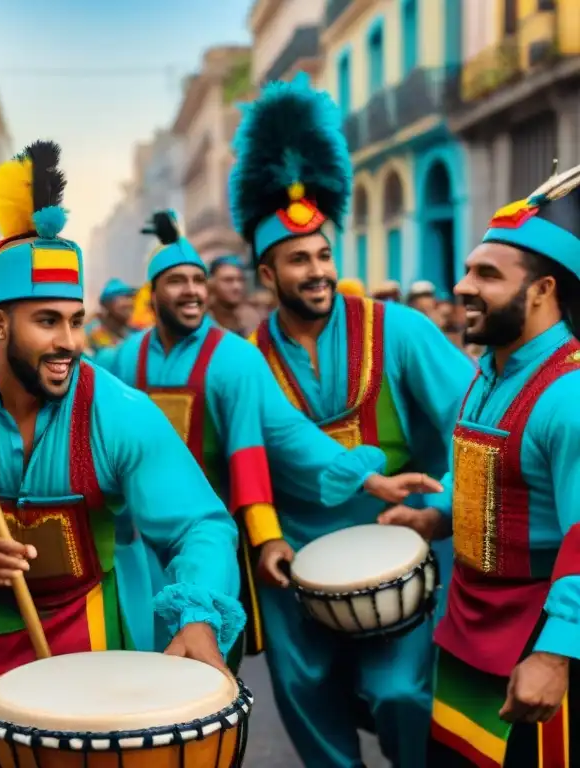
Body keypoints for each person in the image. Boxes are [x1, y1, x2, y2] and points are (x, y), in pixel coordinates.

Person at [0, 141, 243, 767]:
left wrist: (196, 612)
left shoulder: (122, 414)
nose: (68, 342)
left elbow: (200, 524)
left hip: (90, 629)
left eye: (75, 321)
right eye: (46, 322)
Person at [229, 73, 475, 767]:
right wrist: (263, 538)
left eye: (324, 254)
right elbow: (251, 455)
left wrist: (446, 505)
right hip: (294, 558)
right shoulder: (244, 360)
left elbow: (475, 420)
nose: (316, 270)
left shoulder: (399, 329)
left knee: (401, 694)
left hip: (406, 538)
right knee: (305, 692)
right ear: (266, 275)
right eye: (297, 259)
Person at [111, 209, 443, 669]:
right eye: (175, 281)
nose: (190, 290)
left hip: (210, 533)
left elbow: (272, 440)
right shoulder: (125, 358)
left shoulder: (233, 358)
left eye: (197, 279)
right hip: (139, 541)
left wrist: (366, 478)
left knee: (203, 670)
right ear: (155, 291)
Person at [382, 166, 580, 766]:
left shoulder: (569, 397)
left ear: (543, 290)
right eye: (468, 269)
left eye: (486, 275)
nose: (462, 286)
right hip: (469, 627)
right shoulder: (488, 372)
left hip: (536, 640)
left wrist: (555, 654)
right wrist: (437, 514)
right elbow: (488, 477)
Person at [84, 277, 136, 352]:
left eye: (130, 297)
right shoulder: (92, 330)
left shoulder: (132, 332)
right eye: (123, 297)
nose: (130, 303)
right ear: (107, 304)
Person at [207, 255, 247, 333]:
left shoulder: (252, 320)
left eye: (240, 280)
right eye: (228, 280)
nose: (237, 286)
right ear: (211, 283)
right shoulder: (202, 322)